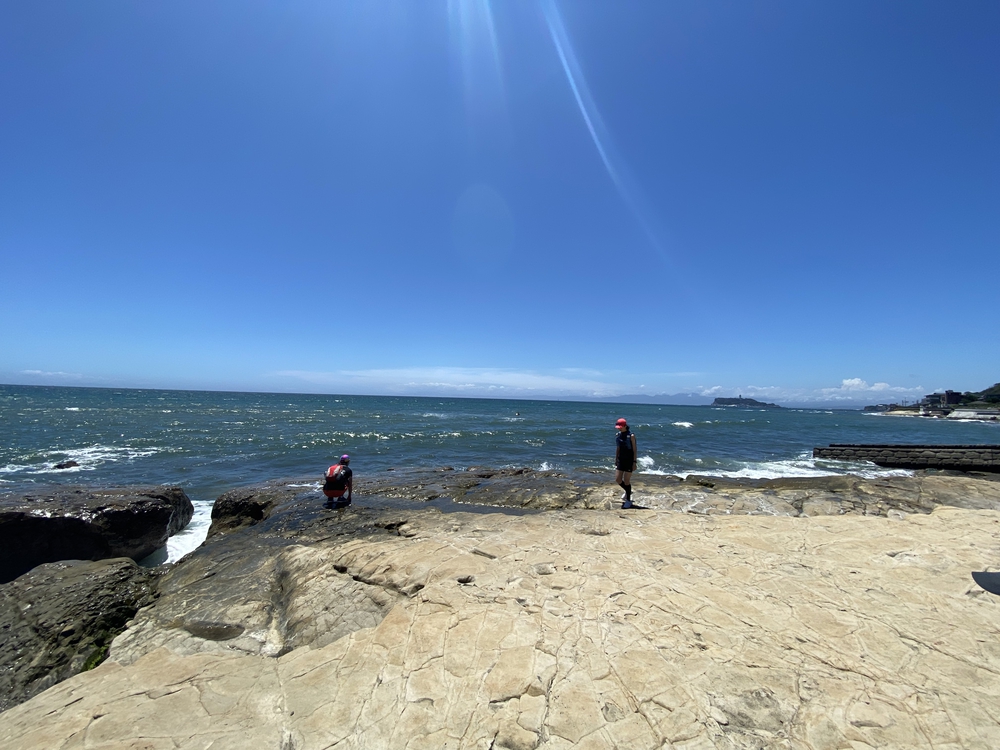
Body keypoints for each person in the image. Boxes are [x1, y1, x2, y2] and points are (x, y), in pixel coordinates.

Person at [614, 418, 637, 508]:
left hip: (629, 460)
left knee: (627, 481)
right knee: (618, 479)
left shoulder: (631, 435)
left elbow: (634, 449)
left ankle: (628, 500)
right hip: (621, 459)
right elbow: (618, 448)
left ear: (624, 426)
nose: (619, 428)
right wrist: (616, 459)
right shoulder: (618, 435)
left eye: (620, 427)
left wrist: (634, 462)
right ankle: (628, 491)